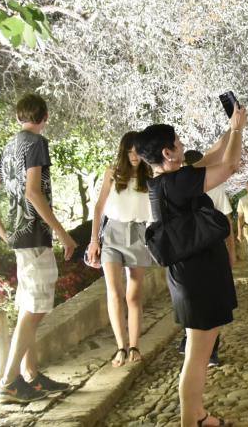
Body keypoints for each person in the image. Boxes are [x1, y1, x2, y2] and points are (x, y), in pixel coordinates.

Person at [135, 106, 246, 427]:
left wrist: (231, 127)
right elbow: (229, 166)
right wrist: (238, 130)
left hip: (193, 272)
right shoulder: (177, 183)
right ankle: (190, 420)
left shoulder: (167, 181)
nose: (183, 145)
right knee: (198, 355)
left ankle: (197, 415)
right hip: (197, 275)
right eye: (178, 142)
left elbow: (212, 155)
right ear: (168, 153)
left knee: (199, 349)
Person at [0, 94, 76, 402]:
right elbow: (33, 192)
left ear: (19, 117)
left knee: (28, 308)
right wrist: (63, 234)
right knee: (35, 308)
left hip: (20, 237)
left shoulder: (9, 146)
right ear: (45, 116)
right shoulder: (35, 143)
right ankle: (9, 381)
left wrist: (4, 231)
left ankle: (31, 376)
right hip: (34, 236)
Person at [87, 132, 154, 367]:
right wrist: (94, 241)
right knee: (114, 293)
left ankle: (134, 345)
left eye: (138, 151)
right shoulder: (112, 173)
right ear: (123, 152)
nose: (134, 156)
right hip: (113, 234)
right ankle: (120, 347)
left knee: (133, 295)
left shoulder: (151, 174)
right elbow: (98, 208)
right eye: (130, 151)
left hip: (138, 234)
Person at [174, 149, 237, 368]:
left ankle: (195, 343)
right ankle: (205, 349)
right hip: (208, 251)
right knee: (210, 301)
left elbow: (227, 221)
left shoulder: (179, 188)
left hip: (192, 252)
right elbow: (227, 223)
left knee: (193, 298)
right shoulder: (185, 188)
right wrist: (231, 251)